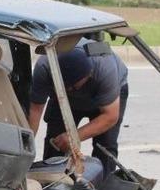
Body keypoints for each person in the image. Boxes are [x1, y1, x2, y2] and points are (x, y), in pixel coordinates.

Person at [27, 41, 128, 175]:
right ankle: (51, 183)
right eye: (65, 87)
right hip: (62, 99)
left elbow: (110, 116)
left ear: (89, 75)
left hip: (105, 100)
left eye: (73, 87)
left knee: (105, 146)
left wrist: (74, 137)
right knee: (55, 143)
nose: (70, 90)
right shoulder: (44, 67)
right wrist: (26, 146)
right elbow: (35, 111)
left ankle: (102, 188)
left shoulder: (104, 69)